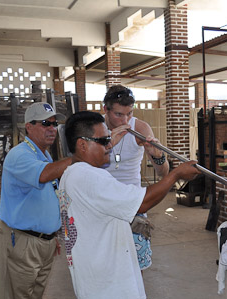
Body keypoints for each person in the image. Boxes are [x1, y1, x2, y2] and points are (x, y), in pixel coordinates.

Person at [59, 111, 200, 298]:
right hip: (108, 285)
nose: (110, 145)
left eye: (109, 139)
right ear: (82, 145)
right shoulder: (89, 177)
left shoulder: (70, 174)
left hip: (94, 278)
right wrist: (176, 175)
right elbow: (142, 203)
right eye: (103, 141)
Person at [0, 102, 72, 299]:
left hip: (42, 242)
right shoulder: (19, 155)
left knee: (35, 294)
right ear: (28, 126)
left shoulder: (43, 154)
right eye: (45, 123)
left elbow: (48, 195)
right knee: (17, 295)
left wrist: (50, 234)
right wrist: (79, 157)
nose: (52, 129)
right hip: (22, 241)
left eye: (54, 124)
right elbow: (44, 175)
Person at [103, 85, 169, 270]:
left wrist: (156, 155)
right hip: (102, 201)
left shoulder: (140, 128)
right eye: (118, 114)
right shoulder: (96, 128)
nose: (125, 120)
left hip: (133, 204)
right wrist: (108, 142)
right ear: (105, 110)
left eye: (129, 114)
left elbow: (163, 172)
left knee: (135, 265)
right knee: (106, 262)